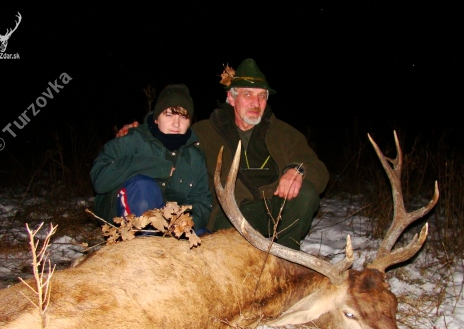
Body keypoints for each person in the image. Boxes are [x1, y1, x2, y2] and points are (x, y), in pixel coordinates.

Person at [191, 59, 329, 250]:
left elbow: (319, 170)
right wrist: (138, 133)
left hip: (274, 208)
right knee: (239, 253)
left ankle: (287, 260)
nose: (256, 103)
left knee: (305, 193)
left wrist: (297, 171)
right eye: (248, 94)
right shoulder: (205, 131)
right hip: (232, 214)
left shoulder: (283, 132)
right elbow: (168, 140)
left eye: (262, 96)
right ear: (231, 98)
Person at [91, 84, 212, 235]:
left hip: (168, 223)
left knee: (207, 240)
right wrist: (154, 166)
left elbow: (202, 201)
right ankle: (144, 249)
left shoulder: (194, 155)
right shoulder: (133, 139)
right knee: (143, 186)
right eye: (168, 115)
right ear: (156, 119)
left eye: (183, 117)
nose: (176, 123)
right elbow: (99, 180)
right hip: (125, 217)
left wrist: (185, 222)